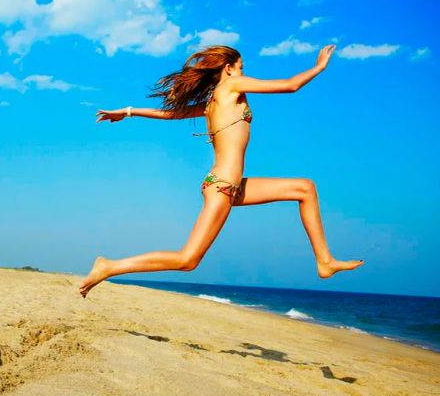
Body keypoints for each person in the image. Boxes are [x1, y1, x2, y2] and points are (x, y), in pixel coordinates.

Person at [79, 45, 363, 297]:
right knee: (187, 260)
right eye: (240, 67)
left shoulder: (214, 102)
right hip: (223, 186)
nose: (242, 73)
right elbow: (289, 85)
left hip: (231, 185)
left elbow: (172, 114)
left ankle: (324, 260)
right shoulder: (231, 86)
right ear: (229, 68)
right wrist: (319, 67)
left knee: (305, 188)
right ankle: (110, 266)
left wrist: (128, 111)